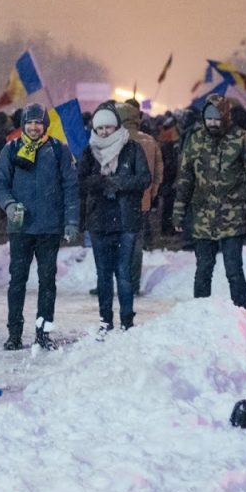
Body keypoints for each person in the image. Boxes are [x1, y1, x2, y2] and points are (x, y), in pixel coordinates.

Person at [0, 102, 79, 350]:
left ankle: (43, 333)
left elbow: (70, 188)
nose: (33, 127)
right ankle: (14, 333)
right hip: (20, 229)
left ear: (45, 125)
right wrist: (10, 205)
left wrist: (71, 221)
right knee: (17, 281)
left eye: (38, 122)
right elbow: (0, 184)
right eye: (29, 122)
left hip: (49, 228)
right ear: (23, 125)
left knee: (47, 282)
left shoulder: (58, 151)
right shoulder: (11, 150)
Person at [172, 94, 246, 309]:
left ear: (225, 116)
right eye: (209, 118)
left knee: (234, 269)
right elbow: (185, 177)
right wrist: (179, 211)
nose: (212, 123)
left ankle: (241, 314)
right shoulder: (195, 140)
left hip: (233, 217)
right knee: (204, 268)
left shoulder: (241, 138)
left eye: (216, 118)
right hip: (203, 217)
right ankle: (200, 313)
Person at [78, 106, 150, 332]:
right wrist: (100, 182)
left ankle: (127, 320)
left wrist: (120, 183)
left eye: (108, 126)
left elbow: (144, 178)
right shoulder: (89, 152)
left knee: (124, 274)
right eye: (100, 128)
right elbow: (80, 181)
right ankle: (105, 320)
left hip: (126, 219)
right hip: (99, 221)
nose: (104, 132)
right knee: (103, 275)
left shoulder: (132, 149)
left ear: (117, 126)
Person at [117, 102, 163, 295]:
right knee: (135, 245)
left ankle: (116, 282)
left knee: (114, 244)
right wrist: (150, 195)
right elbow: (158, 173)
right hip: (141, 202)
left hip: (116, 201)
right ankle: (133, 285)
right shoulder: (149, 141)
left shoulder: (114, 139)